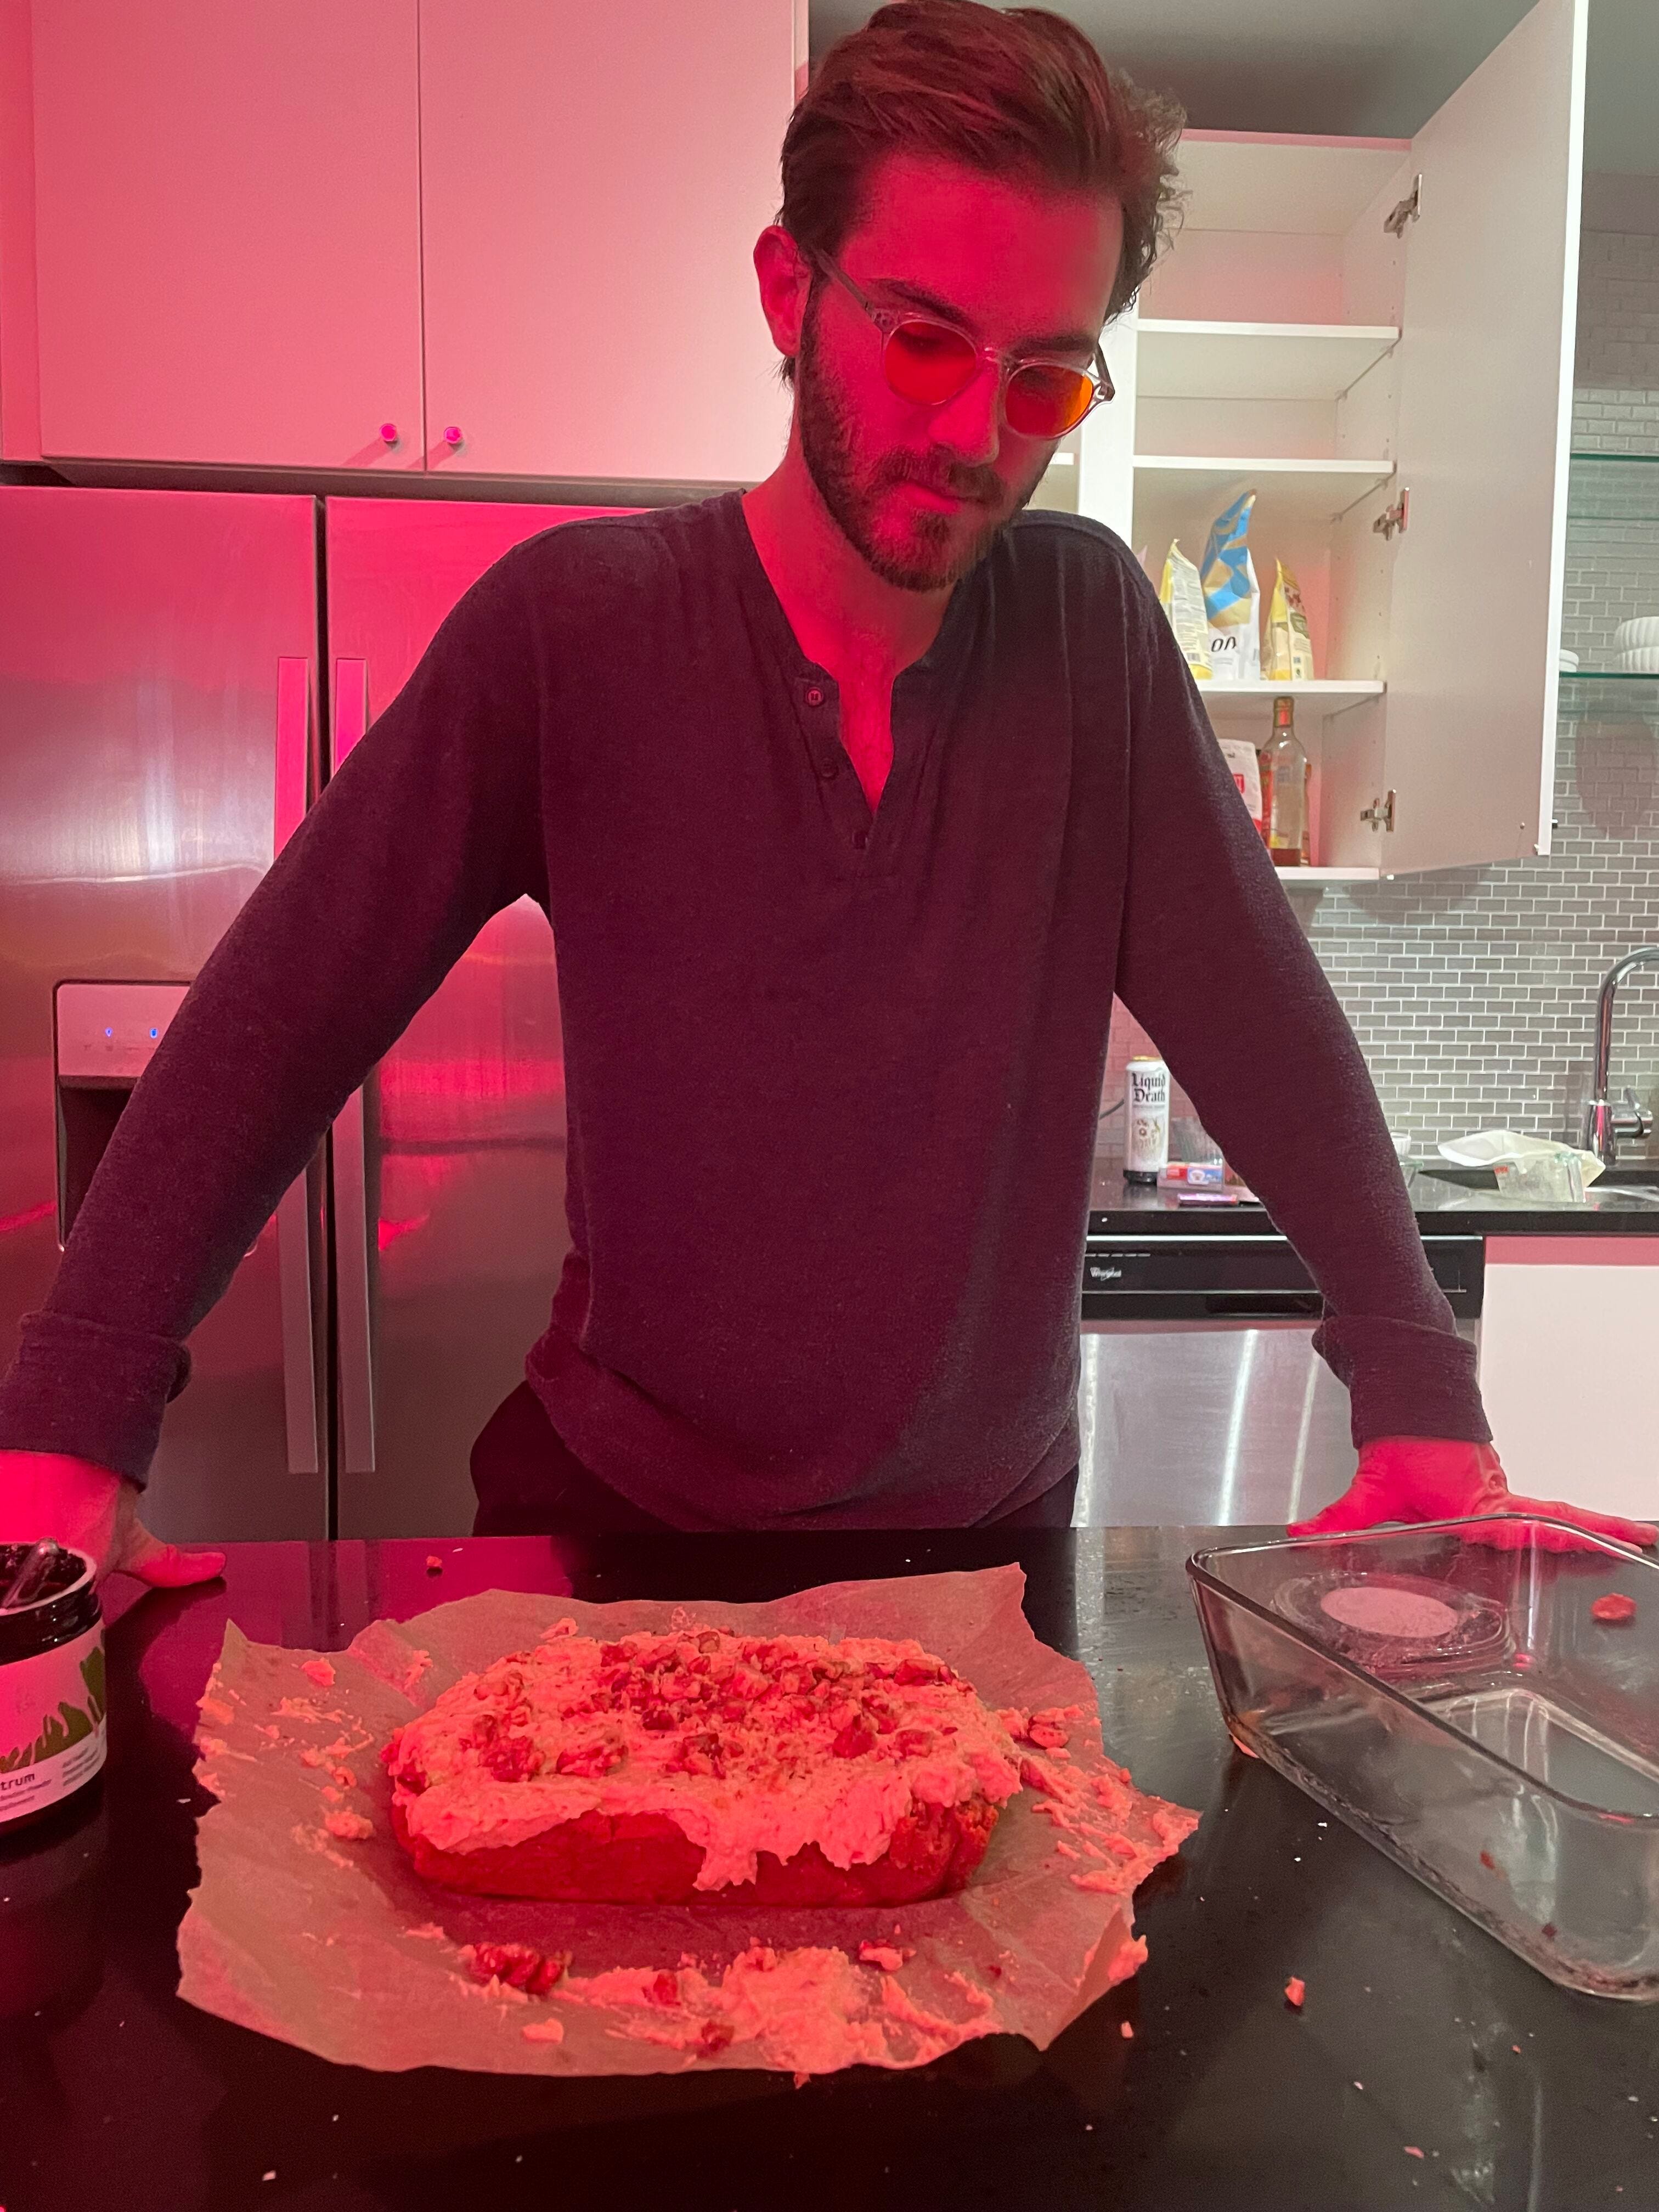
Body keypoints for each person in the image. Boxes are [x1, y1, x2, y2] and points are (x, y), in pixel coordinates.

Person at [1, 3, 1651, 1583]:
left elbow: (1264, 1026)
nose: (977, 435)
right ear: (789, 289)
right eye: (925, 340)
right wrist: (75, 1419)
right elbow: (285, 1009)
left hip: (987, 1550)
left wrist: (1416, 1383)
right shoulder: (573, 630)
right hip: (619, 1532)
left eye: (1045, 379)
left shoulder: (1090, 638)